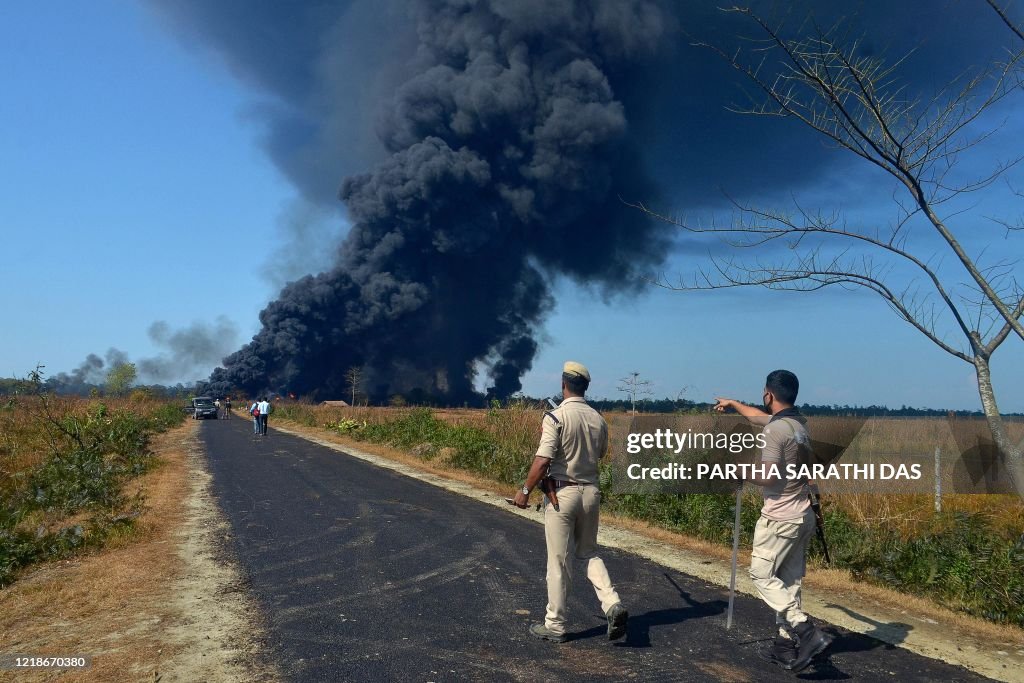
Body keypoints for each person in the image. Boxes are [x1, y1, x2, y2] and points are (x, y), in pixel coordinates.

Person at [714, 370, 832, 672]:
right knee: (789, 582)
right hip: (802, 513)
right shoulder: (797, 426)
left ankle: (805, 630)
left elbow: (767, 477)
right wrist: (733, 404)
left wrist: (740, 472)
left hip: (780, 517)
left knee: (761, 575)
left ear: (769, 394)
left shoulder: (775, 432)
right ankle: (784, 645)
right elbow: (756, 416)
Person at [511, 361, 627, 643]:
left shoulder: (556, 417)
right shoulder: (598, 419)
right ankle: (612, 603)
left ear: (563, 384)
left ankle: (555, 625)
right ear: (585, 387)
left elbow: (543, 459)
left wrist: (525, 490)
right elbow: (598, 455)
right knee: (588, 553)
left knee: (559, 562)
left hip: (562, 494)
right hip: (591, 493)